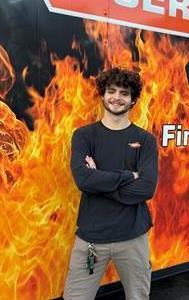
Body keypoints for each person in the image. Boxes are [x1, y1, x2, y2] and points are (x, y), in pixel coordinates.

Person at [63, 67, 159, 300]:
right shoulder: (84, 136)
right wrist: (128, 176)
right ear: (103, 95)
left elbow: (146, 188)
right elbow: (83, 180)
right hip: (92, 239)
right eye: (111, 91)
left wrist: (99, 182)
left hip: (133, 236)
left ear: (133, 100)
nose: (117, 97)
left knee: (138, 297)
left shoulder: (145, 140)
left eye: (124, 93)